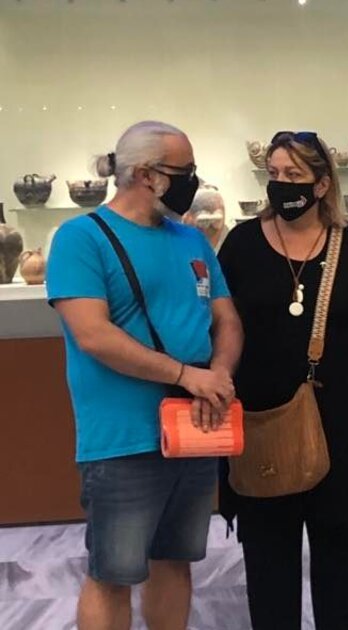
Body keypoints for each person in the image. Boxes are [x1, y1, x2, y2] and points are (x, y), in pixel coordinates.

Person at [45, 120, 243, 630]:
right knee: (113, 573)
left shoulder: (192, 240)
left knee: (175, 561)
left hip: (193, 430)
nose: (192, 181)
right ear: (145, 174)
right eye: (184, 171)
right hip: (122, 440)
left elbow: (226, 319)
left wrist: (218, 375)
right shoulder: (81, 239)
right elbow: (93, 334)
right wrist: (186, 374)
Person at [216, 131, 348, 629]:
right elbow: (225, 322)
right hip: (264, 420)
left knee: (342, 554)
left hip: (342, 424)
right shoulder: (242, 245)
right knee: (268, 557)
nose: (281, 184)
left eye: (293, 175)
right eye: (274, 173)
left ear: (321, 184)